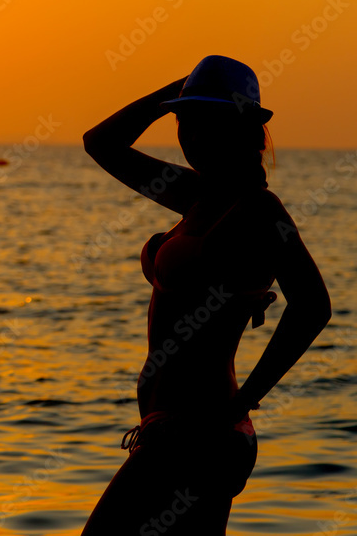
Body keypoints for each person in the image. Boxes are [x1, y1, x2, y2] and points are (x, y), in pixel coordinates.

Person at [79, 55, 332, 535]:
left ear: (240, 129)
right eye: (185, 122)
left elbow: (314, 305)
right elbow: (102, 144)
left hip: (199, 436)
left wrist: (241, 405)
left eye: (206, 122)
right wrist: (174, 92)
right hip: (177, 432)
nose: (190, 137)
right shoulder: (196, 194)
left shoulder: (258, 209)